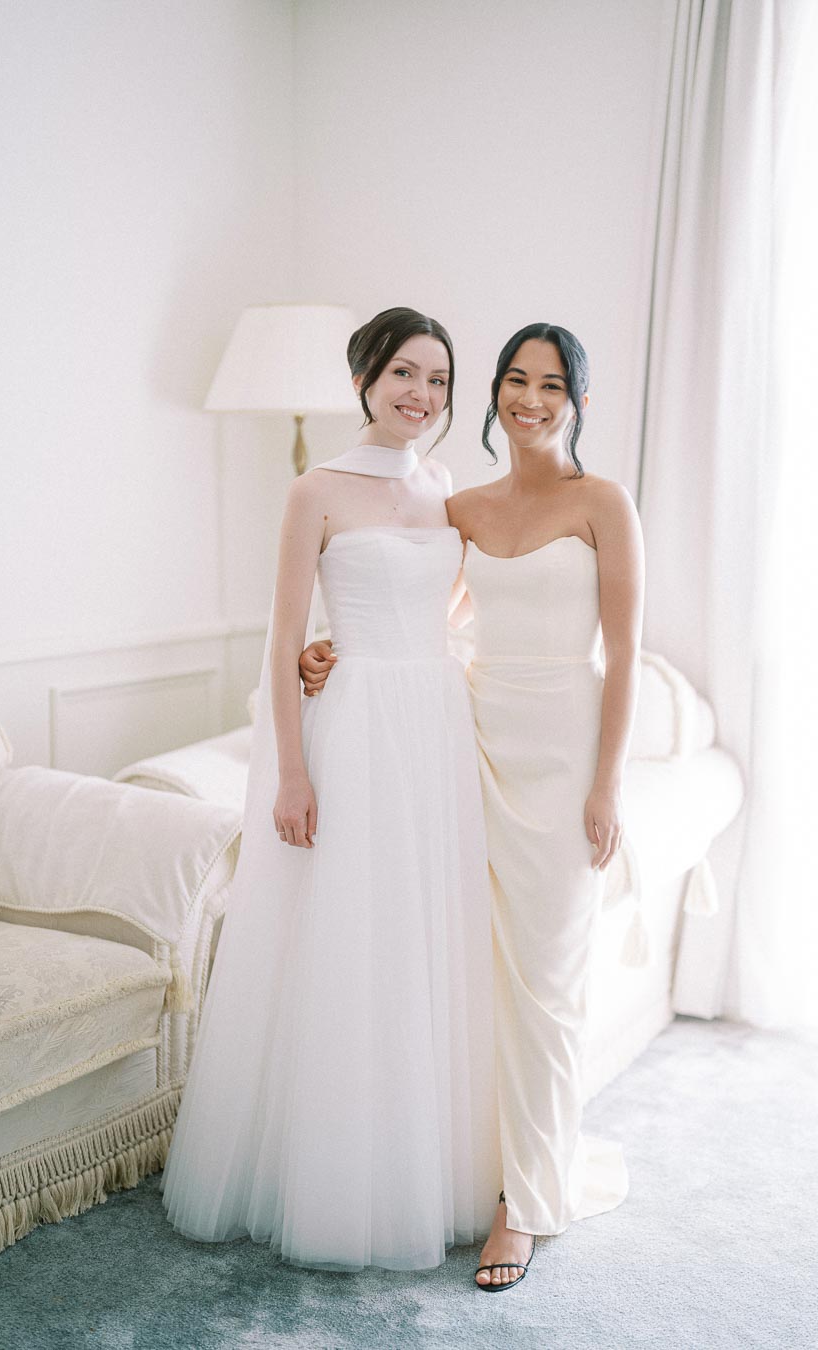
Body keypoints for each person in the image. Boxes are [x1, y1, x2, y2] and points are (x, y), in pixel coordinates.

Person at [302, 322, 644, 1292]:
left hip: (565, 746)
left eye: (551, 384)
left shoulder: (604, 504)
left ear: (578, 397)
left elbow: (620, 656)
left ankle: (525, 1205)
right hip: (472, 740)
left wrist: (607, 782)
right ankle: (484, 1173)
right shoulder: (465, 506)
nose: (529, 399)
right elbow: (426, 613)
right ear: (494, 393)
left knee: (546, 982)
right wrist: (328, 648)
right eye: (514, 381)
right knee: (479, 976)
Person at [161, 307, 501, 1272]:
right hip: (349, 728)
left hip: (432, 727)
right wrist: (293, 768)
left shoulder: (444, 488)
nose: (420, 395)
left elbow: (458, 610)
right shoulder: (315, 487)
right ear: (364, 378)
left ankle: (422, 1160)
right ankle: (336, 1179)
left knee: (419, 933)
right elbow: (280, 638)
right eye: (403, 372)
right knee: (350, 934)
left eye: (437, 379)